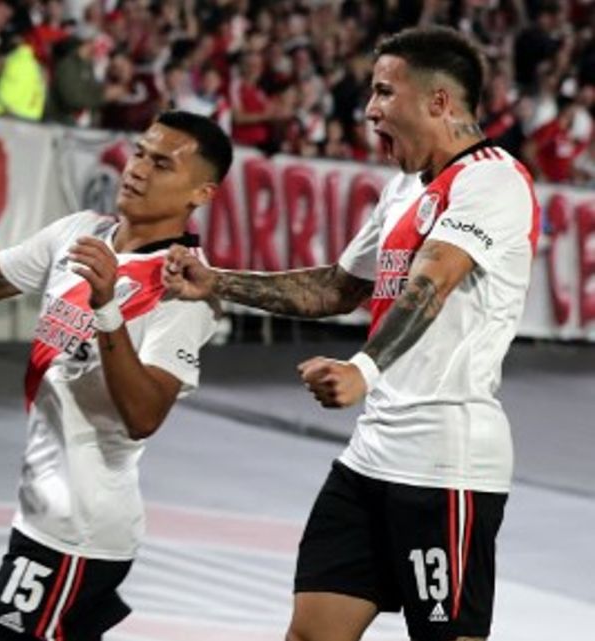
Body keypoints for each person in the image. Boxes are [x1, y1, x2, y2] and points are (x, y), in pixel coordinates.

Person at [164, 26, 540, 641]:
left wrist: (361, 370)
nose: (368, 109)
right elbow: (337, 288)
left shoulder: (492, 180)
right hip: (370, 459)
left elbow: (432, 282)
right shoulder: (401, 189)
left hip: (446, 466)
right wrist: (217, 282)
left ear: (439, 102)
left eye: (384, 92)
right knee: (310, 634)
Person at [0, 110, 231, 641]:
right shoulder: (81, 232)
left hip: (78, 533)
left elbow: (144, 415)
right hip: (42, 515)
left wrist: (106, 310)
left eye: (162, 164)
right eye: (140, 152)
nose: (138, 169)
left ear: (201, 194)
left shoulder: (183, 290)